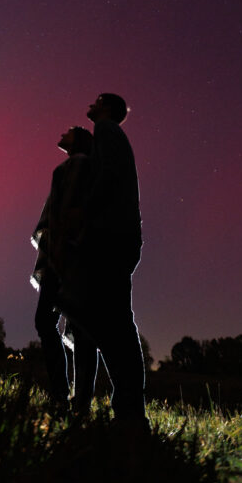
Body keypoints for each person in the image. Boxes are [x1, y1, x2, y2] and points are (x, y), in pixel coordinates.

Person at [58, 93, 149, 432]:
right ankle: (128, 411)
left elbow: (108, 175)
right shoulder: (108, 134)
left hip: (113, 237)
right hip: (117, 236)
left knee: (117, 326)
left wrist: (84, 211)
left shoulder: (107, 131)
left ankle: (130, 414)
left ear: (107, 108)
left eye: (97, 100)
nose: (90, 103)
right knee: (113, 323)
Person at [31, 126, 98, 415]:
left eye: (70, 131)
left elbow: (69, 213)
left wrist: (60, 251)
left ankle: (72, 397)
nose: (63, 131)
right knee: (68, 326)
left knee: (72, 328)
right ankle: (72, 396)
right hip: (69, 258)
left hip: (67, 259)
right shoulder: (72, 168)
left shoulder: (77, 166)